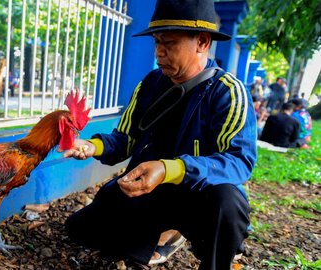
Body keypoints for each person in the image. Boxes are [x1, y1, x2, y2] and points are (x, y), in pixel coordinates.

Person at [59, 0, 257, 269]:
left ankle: (205, 252)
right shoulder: (151, 84)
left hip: (198, 196)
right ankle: (164, 235)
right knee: (81, 230)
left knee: (228, 203)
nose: (159, 53)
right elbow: (125, 139)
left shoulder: (227, 92)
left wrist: (170, 169)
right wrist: (92, 146)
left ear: (202, 41)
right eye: (157, 42)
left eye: (170, 43)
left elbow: (239, 160)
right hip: (147, 191)